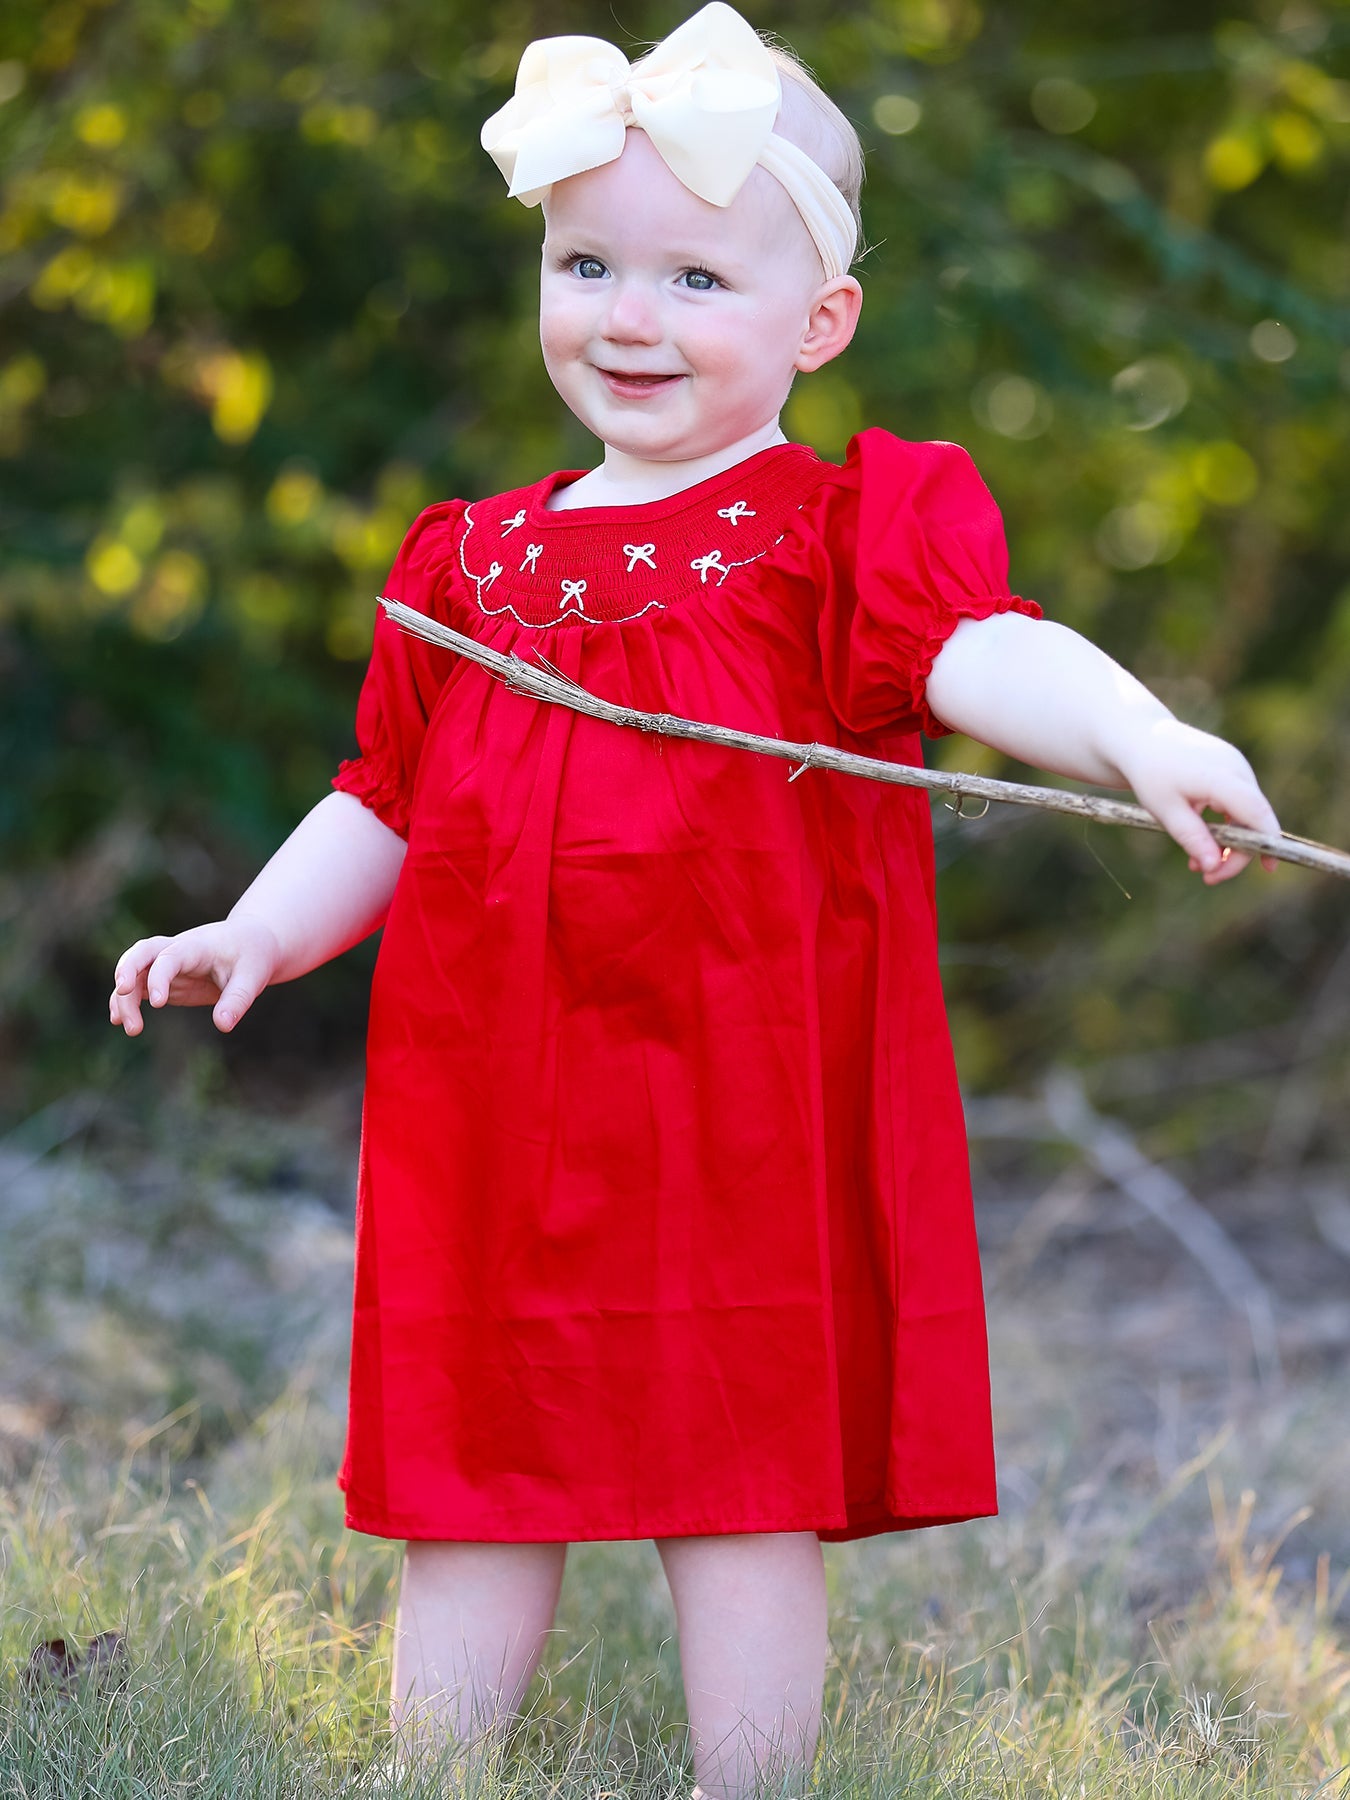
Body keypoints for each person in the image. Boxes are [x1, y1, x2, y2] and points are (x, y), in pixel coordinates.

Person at [109, 5, 1281, 1795]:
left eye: (693, 279)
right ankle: (433, 1771)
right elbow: (389, 799)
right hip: (497, 1096)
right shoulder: (471, 562)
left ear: (819, 324)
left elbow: (986, 648)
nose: (629, 317)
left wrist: (1137, 733)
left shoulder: (838, 536)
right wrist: (253, 931)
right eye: (588, 264)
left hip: (734, 1093)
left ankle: (751, 1780)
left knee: (738, 1465)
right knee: (475, 1458)